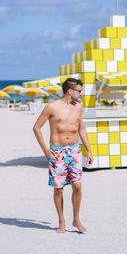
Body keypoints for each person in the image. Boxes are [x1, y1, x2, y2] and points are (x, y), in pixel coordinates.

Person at [33, 78, 93, 234]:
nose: (81, 93)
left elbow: (82, 130)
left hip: (74, 151)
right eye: (79, 90)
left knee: (78, 186)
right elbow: (36, 128)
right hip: (57, 152)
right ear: (70, 91)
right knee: (58, 189)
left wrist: (89, 150)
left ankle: (76, 219)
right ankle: (61, 221)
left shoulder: (78, 107)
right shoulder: (51, 107)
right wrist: (46, 150)